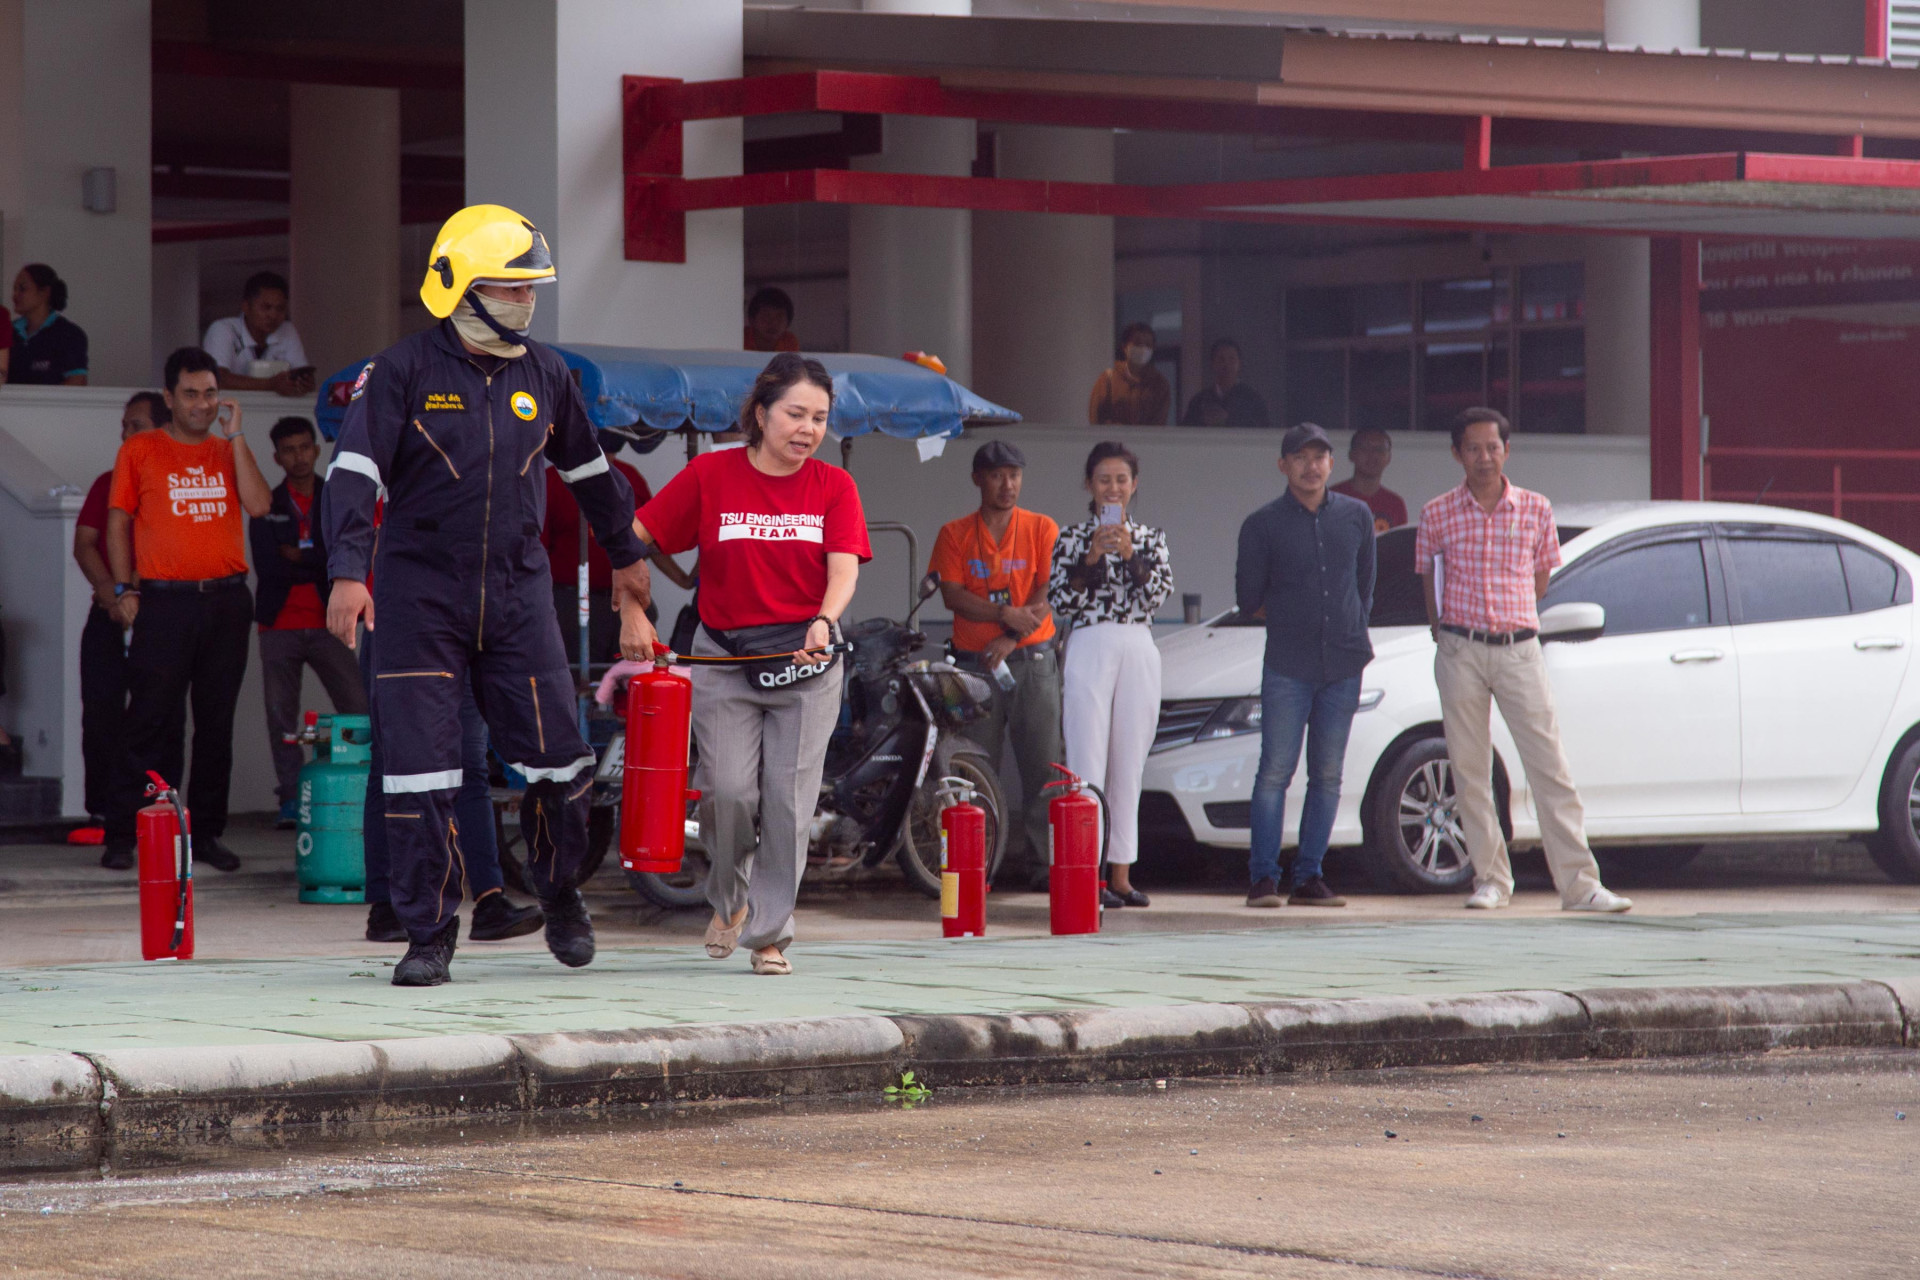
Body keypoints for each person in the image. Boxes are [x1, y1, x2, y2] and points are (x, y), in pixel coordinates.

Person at [323, 204, 651, 987]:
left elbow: (591, 472)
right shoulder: (399, 372)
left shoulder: (548, 374)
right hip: (417, 598)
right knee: (420, 773)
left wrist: (627, 557)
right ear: (461, 288)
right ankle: (429, 934)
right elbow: (353, 473)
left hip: (517, 596)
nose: (526, 302)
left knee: (559, 762)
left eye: (531, 288)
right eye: (510, 287)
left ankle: (559, 890)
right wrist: (347, 570)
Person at [626, 353, 871, 977]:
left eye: (820, 418)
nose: (808, 429)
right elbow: (634, 538)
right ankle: (730, 901)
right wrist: (631, 608)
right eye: (795, 414)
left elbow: (844, 569)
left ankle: (769, 935)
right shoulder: (711, 474)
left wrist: (825, 619)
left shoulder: (834, 487)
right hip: (725, 658)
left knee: (787, 803)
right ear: (760, 414)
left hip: (806, 662)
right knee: (727, 793)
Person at [1416, 407, 1632, 914]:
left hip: (1519, 649)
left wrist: (1511, 621)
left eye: (1493, 447)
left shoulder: (1535, 508)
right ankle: (1491, 879)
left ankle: (1580, 886)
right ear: (1457, 454)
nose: (1484, 457)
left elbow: (1541, 580)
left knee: (1550, 767)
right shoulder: (1437, 512)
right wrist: (1443, 632)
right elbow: (1429, 579)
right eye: (1473, 448)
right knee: (1470, 770)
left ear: (1507, 451)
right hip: (1460, 649)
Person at [102, 347, 273, 872]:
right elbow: (117, 523)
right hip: (164, 602)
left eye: (211, 394)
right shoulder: (142, 449)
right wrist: (123, 589)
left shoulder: (227, 450)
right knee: (148, 719)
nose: (203, 404)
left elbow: (260, 505)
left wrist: (237, 436)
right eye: (192, 394)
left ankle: (207, 833)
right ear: (170, 398)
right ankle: (124, 832)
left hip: (226, 600)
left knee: (216, 724)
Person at [1236, 423, 1376, 909]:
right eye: (1300, 457)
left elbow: (1365, 587)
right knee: (1275, 771)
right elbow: (1247, 598)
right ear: (1283, 465)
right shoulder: (1262, 524)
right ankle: (1262, 879)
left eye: (1319, 457)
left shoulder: (1357, 516)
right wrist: (1294, 616)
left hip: (1344, 662)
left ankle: (1310, 877)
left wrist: (1347, 625)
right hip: (1287, 663)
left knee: (1329, 774)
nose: (1311, 466)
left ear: (1332, 464)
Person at [929, 439, 1063, 887]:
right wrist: (1004, 613)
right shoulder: (955, 533)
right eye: (997, 476)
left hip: (1032, 660)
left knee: (1043, 765)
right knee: (973, 768)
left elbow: (1047, 591)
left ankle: (1045, 867)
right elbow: (952, 595)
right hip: (973, 666)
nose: (1008, 485)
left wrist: (1011, 635)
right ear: (978, 480)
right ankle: (977, 866)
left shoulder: (1042, 527)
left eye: (1014, 475)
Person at [1049, 441, 1174, 907]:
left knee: (1129, 761)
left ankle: (1120, 875)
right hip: (1089, 641)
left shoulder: (1151, 538)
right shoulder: (1070, 538)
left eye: (1122, 479)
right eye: (1104, 479)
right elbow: (1060, 600)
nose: (1113, 487)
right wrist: (1090, 560)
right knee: (1086, 758)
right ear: (1089, 484)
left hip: (1137, 642)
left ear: (1134, 484)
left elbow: (1158, 595)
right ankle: (1087, 875)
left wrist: (1131, 556)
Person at [72, 393, 182, 833]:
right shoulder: (108, 481)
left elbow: (166, 542)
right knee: (100, 711)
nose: (125, 433)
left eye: (135, 425)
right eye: (124, 425)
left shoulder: (172, 483)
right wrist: (109, 590)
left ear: (161, 430)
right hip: (107, 612)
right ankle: (103, 809)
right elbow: (85, 542)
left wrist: (131, 591)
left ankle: (156, 809)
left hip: (156, 611)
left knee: (159, 716)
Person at [251, 416, 367, 829]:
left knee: (358, 706)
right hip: (277, 625)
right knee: (280, 717)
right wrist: (316, 558)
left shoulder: (335, 496)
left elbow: (341, 555)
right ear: (277, 457)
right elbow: (267, 566)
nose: (298, 456)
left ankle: (363, 788)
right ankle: (290, 799)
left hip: (330, 620)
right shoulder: (266, 502)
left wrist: (301, 556)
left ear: (316, 450)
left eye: (304, 447)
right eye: (289, 450)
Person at [542, 435, 692, 661]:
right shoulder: (553, 480)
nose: (609, 456)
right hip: (570, 602)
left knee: (636, 672)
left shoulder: (629, 477)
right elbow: (537, 550)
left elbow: (650, 538)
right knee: (575, 674)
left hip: (624, 599)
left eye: (614, 448)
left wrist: (684, 580)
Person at [203, 271, 315, 397]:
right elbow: (216, 379)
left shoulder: (287, 330)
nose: (273, 315)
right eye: (266, 307)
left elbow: (301, 373)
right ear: (246, 307)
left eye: (280, 309)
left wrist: (305, 383)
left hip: (276, 407)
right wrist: (270, 384)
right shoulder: (223, 329)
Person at [8, 265, 87, 386]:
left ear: (45, 292)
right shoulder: (7, 331)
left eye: (22, 289)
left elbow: (77, 381)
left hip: (53, 399)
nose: (15, 295)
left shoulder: (69, 334)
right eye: (15, 289)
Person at [1088, 322, 1171, 427]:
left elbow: (1159, 422)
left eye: (1148, 344)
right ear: (1124, 346)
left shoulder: (1160, 384)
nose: (1143, 348)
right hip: (1111, 436)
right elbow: (1096, 417)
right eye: (1137, 343)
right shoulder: (1108, 379)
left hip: (1146, 437)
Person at [1332, 427, 1408, 533]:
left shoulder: (1395, 504)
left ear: (1389, 458)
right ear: (1351, 454)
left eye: (1379, 449)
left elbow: (1401, 541)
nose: (1373, 455)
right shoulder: (1332, 498)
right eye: (1365, 448)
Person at [1181, 338, 1269, 428]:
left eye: (1232, 359)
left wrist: (1229, 419)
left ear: (1239, 364)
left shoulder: (1252, 399)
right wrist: (1203, 421)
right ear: (1212, 364)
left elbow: (1264, 430)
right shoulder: (1199, 401)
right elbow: (1186, 431)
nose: (1226, 365)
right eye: (1221, 359)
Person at [744, 286, 801, 354]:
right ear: (752, 320)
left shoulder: (789, 341)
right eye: (766, 316)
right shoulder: (741, 338)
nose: (773, 323)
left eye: (779, 317)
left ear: (788, 323)